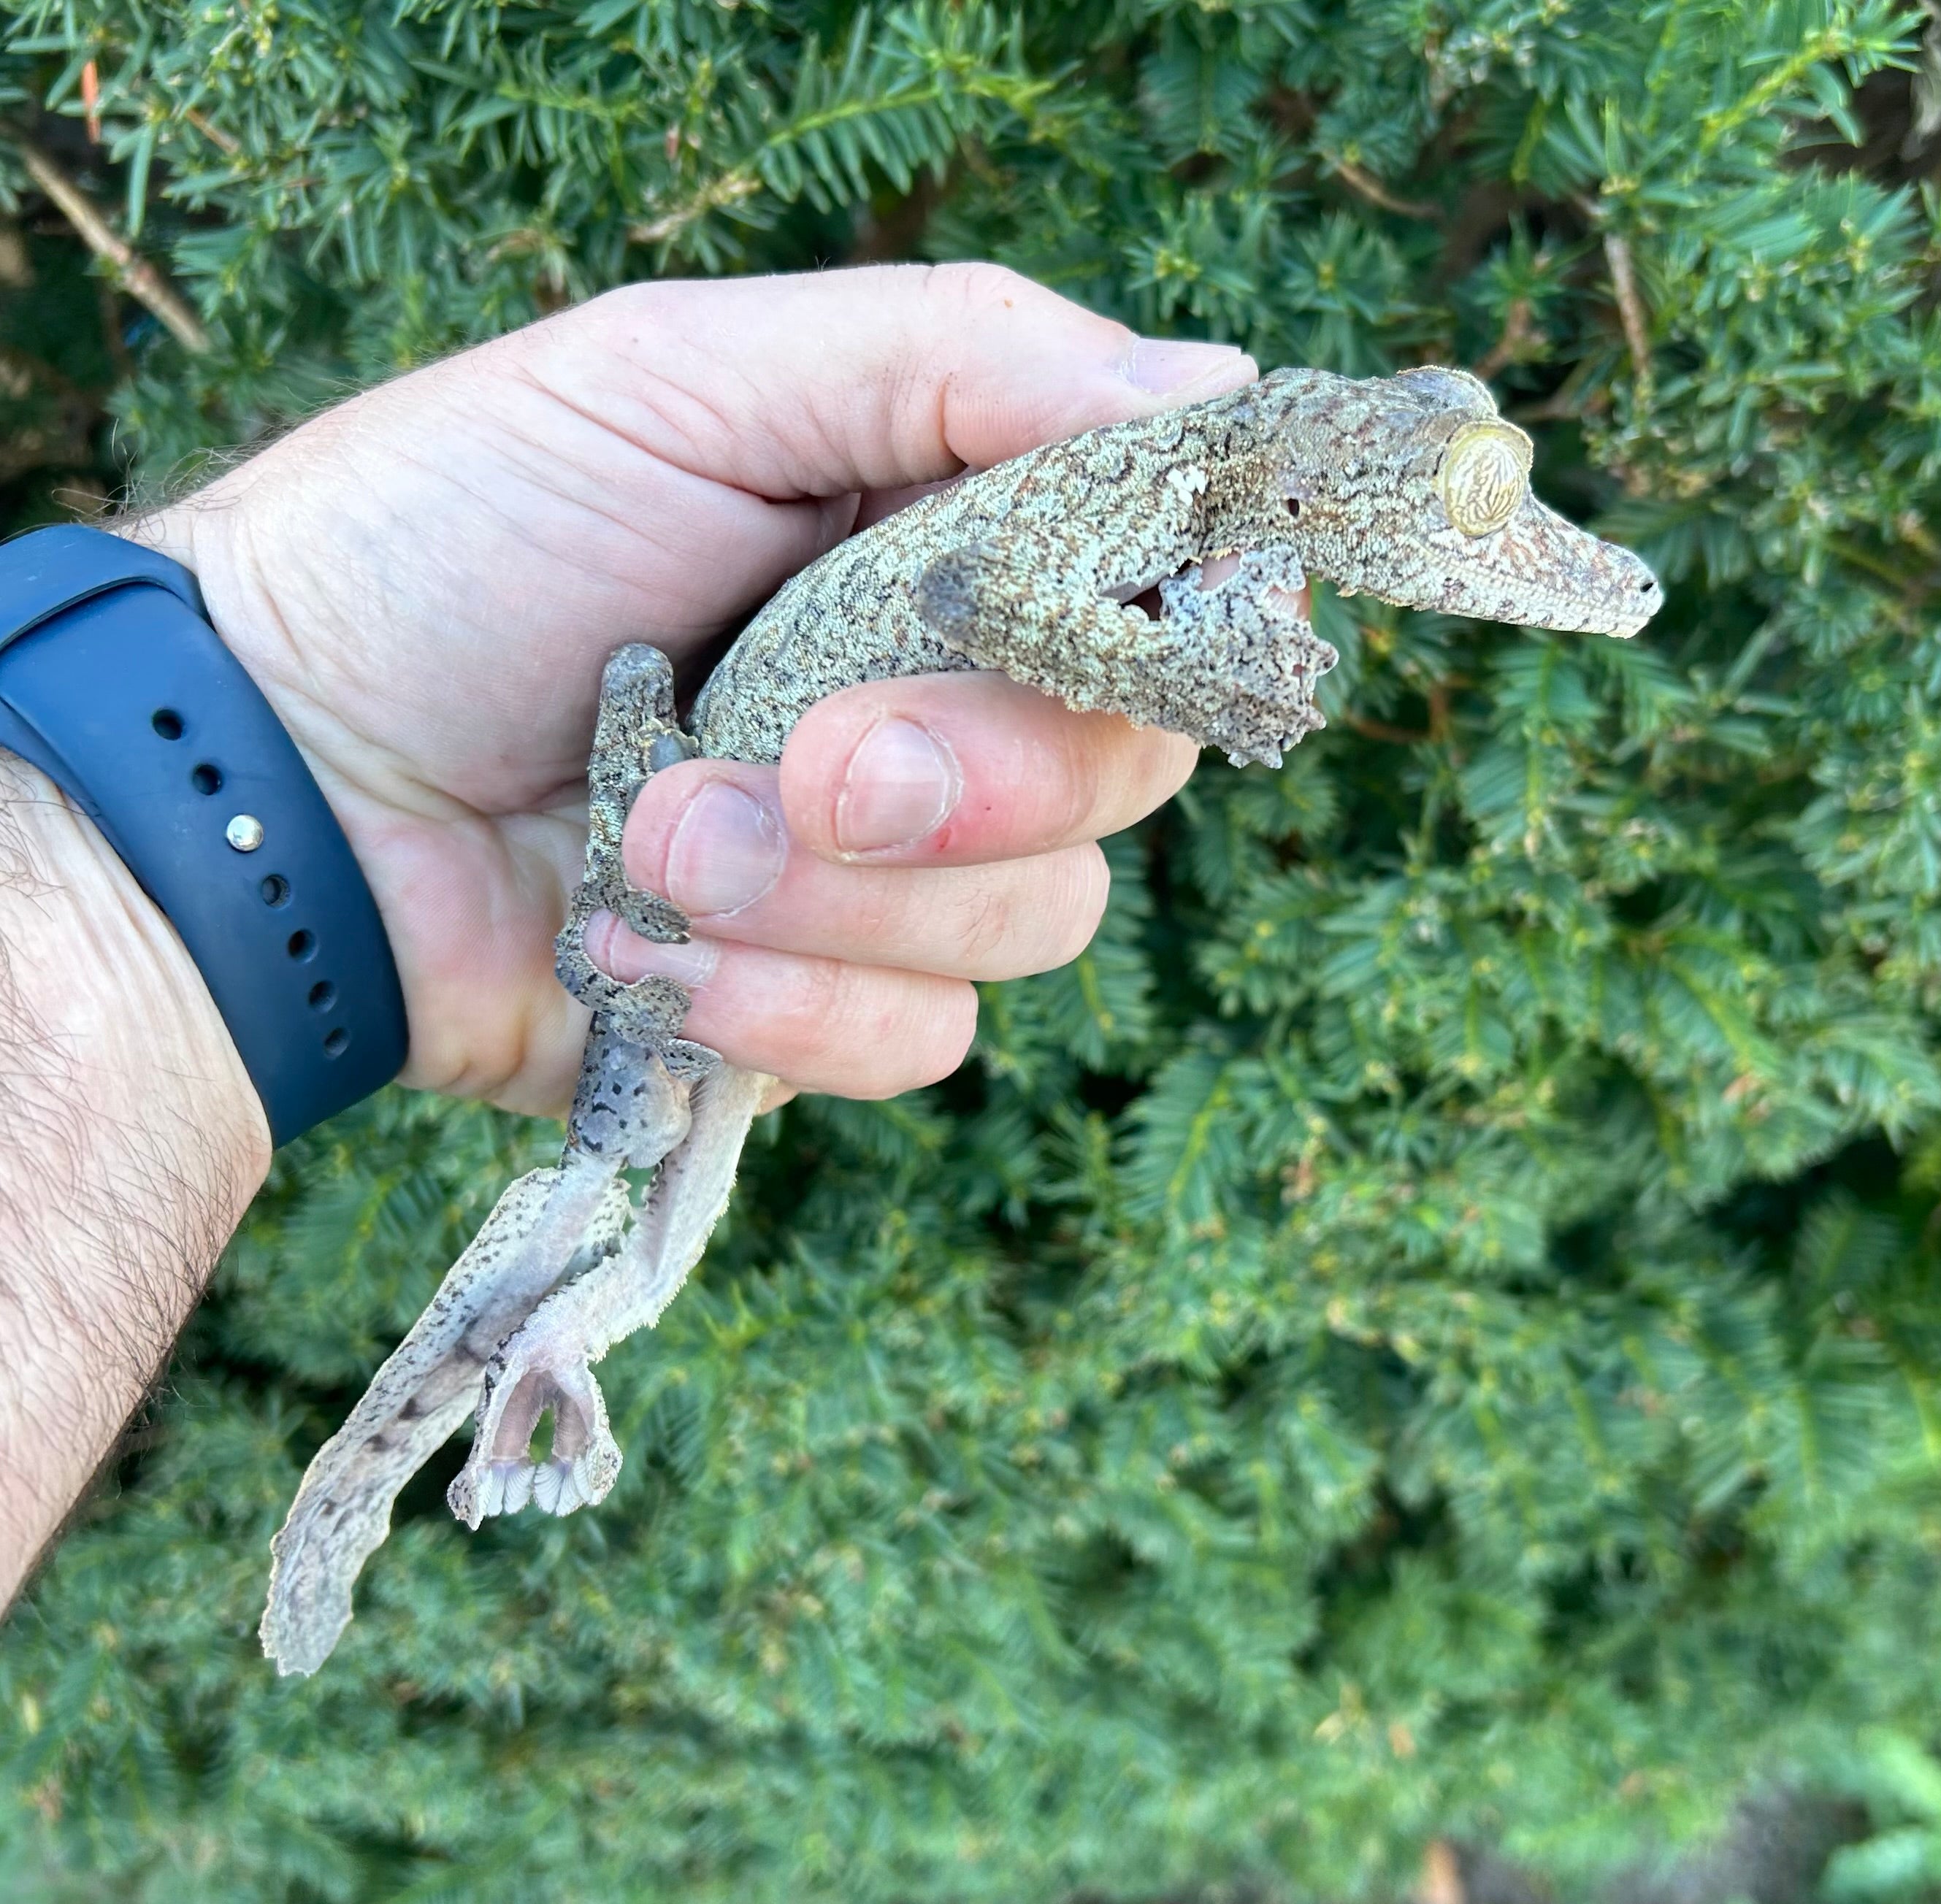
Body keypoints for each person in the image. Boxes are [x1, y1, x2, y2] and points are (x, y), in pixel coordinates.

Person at [0, 262, 1264, 1608]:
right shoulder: (1160, 474)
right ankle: (510, 1382)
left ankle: (520, 1374)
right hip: (655, 891)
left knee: (647, 1159)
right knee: (646, 1156)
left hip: (649, 896)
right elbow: (674, 677)